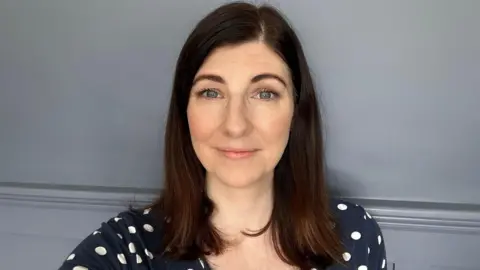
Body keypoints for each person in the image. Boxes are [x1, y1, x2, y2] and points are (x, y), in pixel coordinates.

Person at [59, 2, 386, 270]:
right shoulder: (126, 249)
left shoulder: (354, 235)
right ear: (184, 110)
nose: (235, 125)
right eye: (211, 92)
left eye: (265, 93)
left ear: (296, 112)